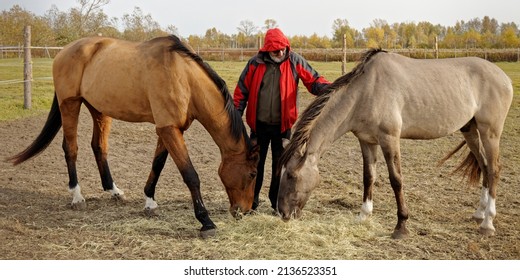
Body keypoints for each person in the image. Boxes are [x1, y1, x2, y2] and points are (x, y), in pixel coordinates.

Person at [233, 28, 331, 211]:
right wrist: (235, 114)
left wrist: (330, 89)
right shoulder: (255, 63)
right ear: (267, 50)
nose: (280, 53)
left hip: (283, 127)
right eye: (276, 50)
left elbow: (313, 80)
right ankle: (251, 204)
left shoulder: (294, 61)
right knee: (255, 167)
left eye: (283, 49)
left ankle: (276, 204)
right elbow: (241, 91)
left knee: (280, 168)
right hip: (259, 126)